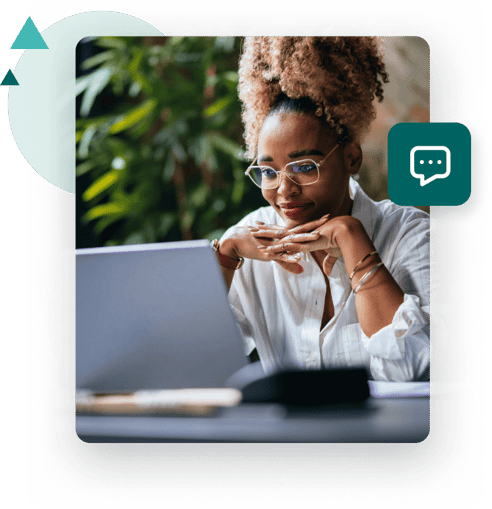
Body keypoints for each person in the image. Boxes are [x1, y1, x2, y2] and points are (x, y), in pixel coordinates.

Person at [212, 36, 430, 382]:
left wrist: (352, 237)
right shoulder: (251, 241)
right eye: (268, 172)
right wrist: (224, 256)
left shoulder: (409, 234)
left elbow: (412, 372)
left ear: (351, 157)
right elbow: (197, 362)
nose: (284, 190)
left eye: (304, 167)